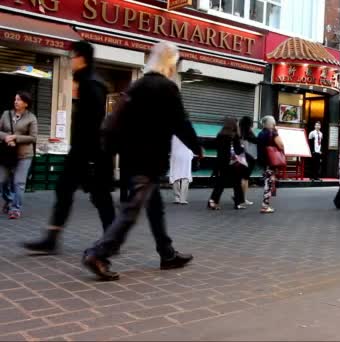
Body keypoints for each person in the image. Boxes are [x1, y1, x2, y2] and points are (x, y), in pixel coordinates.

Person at [82, 41, 202, 281]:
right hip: (148, 158)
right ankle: (98, 253)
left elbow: (118, 121)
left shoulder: (136, 86)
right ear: (170, 62)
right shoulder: (166, 88)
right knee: (132, 210)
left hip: (130, 157)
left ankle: (167, 254)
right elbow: (180, 122)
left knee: (154, 206)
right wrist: (197, 147)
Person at [24, 41, 116, 254]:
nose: (70, 61)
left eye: (72, 57)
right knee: (68, 190)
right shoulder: (87, 81)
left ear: (81, 58)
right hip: (85, 151)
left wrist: (90, 156)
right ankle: (52, 238)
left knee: (99, 195)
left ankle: (111, 238)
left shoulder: (91, 84)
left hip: (90, 152)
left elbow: (93, 123)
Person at [0, 91, 38, 219]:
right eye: (15, 99)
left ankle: (15, 209)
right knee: (2, 181)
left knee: (18, 183)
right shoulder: (6, 114)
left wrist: (16, 138)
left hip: (24, 155)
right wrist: (6, 138)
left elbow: (33, 137)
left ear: (26, 104)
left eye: (19, 100)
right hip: (6, 154)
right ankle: (9, 199)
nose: (16, 101)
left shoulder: (31, 118)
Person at [208, 118, 246, 210]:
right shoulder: (235, 136)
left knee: (220, 183)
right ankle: (238, 203)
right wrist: (243, 147)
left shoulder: (220, 135)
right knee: (237, 183)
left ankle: (213, 200)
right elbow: (238, 150)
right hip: (233, 163)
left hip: (221, 162)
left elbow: (215, 146)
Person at [257, 115, 284, 214]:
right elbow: (281, 145)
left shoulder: (260, 133)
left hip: (263, 161)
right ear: (272, 123)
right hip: (271, 161)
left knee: (268, 181)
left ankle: (266, 205)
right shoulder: (273, 133)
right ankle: (265, 206)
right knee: (268, 183)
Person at [169, 136, 194, 205]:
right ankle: (183, 199)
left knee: (175, 174)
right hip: (186, 153)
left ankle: (177, 198)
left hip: (175, 154)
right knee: (185, 175)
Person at [239, 116, 257, 206]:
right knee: (245, 179)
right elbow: (256, 141)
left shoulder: (240, 131)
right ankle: (243, 199)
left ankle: (241, 198)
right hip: (249, 157)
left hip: (242, 157)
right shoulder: (248, 133)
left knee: (243, 178)